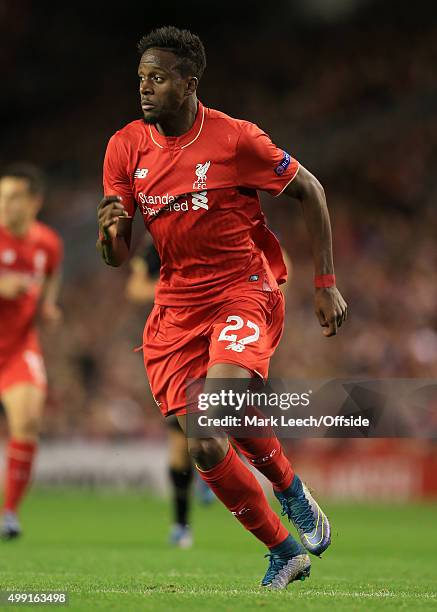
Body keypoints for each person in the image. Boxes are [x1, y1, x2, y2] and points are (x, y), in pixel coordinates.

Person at [97, 26, 347, 590]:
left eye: (158, 79)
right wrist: (110, 235)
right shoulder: (124, 147)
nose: (145, 89)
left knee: (218, 408)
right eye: (141, 79)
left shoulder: (236, 140)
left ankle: (287, 486)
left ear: (189, 83)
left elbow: (313, 191)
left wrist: (325, 282)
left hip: (243, 289)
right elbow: (118, 255)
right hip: (176, 307)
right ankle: (283, 550)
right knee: (206, 442)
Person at [126, 239, 215, 549]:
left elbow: (281, 259)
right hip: (175, 347)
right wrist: (174, 291)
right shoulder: (157, 242)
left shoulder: (215, 224)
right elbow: (135, 288)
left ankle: (213, 466)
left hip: (215, 337)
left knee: (213, 416)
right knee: (180, 446)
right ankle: (181, 525)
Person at [0, 164, 63, 539]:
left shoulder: (48, 242)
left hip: (18, 349)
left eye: (12, 197)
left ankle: (9, 512)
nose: (4, 204)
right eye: (1, 197)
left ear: (34, 202)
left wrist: (49, 306)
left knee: (27, 424)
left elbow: (52, 274)